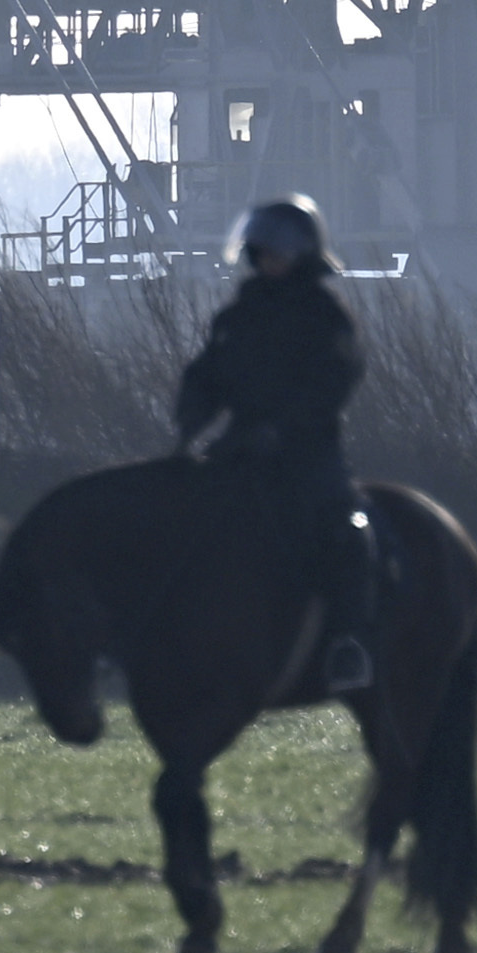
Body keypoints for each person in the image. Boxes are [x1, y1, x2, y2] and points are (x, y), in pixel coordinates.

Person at [178, 195, 379, 698]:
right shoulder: (239, 315)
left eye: (280, 250)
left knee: (345, 535)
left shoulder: (326, 315)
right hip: (240, 447)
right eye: (263, 249)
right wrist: (191, 416)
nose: (270, 259)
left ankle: (347, 645)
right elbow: (209, 373)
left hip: (309, 453)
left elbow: (336, 381)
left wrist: (285, 428)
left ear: (304, 254)